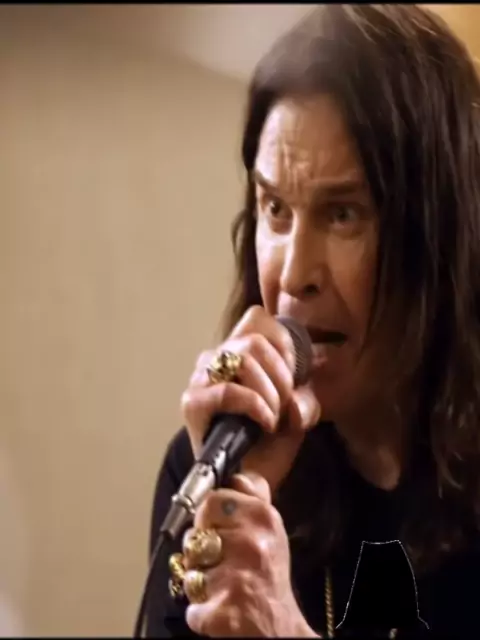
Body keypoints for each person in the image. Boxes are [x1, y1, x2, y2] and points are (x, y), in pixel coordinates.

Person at [144, 4, 480, 638]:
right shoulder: (207, 465)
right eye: (275, 208)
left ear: (441, 232)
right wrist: (225, 503)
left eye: (343, 214)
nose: (295, 274)